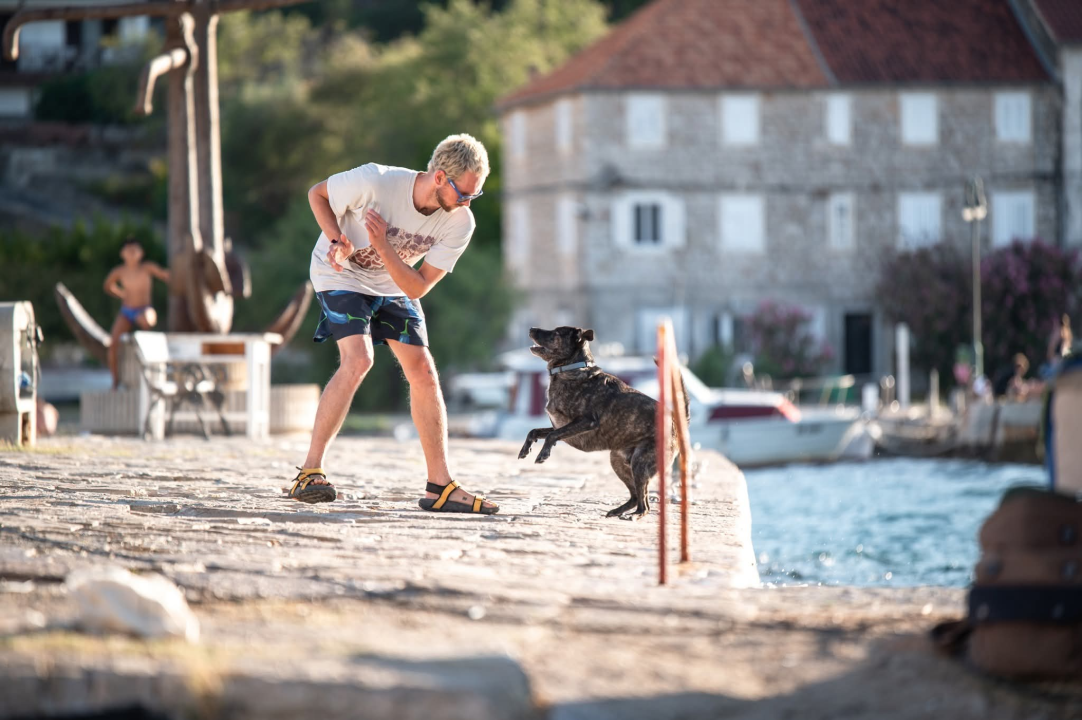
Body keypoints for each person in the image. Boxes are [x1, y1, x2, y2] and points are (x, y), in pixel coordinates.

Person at [288, 133, 498, 515]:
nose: (467, 202)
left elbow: (417, 287)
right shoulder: (377, 181)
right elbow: (317, 194)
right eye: (462, 193)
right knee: (359, 359)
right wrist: (337, 239)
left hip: (394, 283)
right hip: (341, 276)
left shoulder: (459, 223)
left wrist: (383, 246)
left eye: (474, 195)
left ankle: (440, 486)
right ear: (438, 177)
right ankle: (309, 472)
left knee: (424, 371)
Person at [103, 238, 169, 390]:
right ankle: (115, 381)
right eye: (129, 250)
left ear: (141, 253)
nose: (132, 253)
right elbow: (108, 285)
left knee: (146, 319)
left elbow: (164, 275)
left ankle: (148, 367)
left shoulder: (146, 268)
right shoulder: (120, 272)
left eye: (135, 250)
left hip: (144, 309)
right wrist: (121, 294)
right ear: (122, 253)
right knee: (113, 343)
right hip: (127, 311)